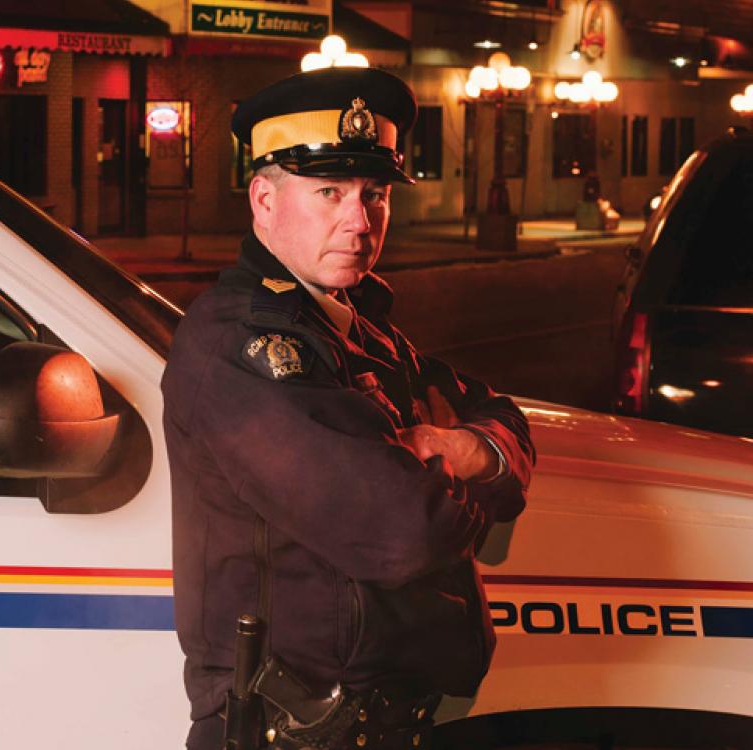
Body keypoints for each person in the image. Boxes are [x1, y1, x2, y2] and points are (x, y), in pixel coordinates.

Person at [161, 66, 535, 750]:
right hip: (298, 732)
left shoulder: (363, 325)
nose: (359, 222)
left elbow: (498, 414)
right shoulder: (239, 344)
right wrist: (473, 497)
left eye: (375, 193)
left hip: (394, 723)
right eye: (329, 192)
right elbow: (402, 531)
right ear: (264, 201)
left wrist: (469, 449)